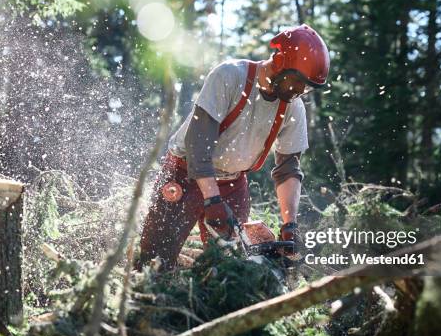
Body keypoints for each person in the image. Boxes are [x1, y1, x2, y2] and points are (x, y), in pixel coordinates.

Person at [135, 24, 330, 271]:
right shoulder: (229, 76)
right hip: (185, 172)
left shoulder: (293, 105)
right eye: (298, 81)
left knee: (229, 268)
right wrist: (211, 199)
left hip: (233, 183)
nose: (300, 91)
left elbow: (288, 169)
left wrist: (289, 224)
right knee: (154, 261)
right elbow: (198, 145)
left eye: (308, 87)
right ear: (280, 62)